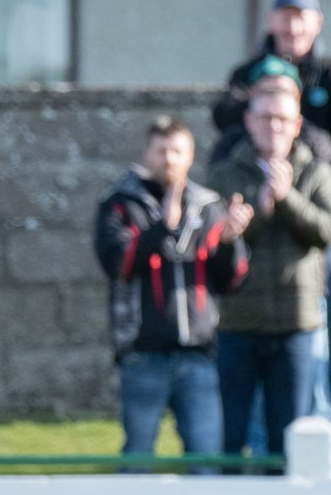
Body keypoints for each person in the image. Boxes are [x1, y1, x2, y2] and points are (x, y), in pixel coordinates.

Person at [212, 0, 331, 421]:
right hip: (260, 194)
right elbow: (222, 115)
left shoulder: (327, 70)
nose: (292, 25)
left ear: (317, 23)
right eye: (285, 16)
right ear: (271, 22)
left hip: (310, 189)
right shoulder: (246, 73)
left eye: (302, 16)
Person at [93, 117, 251, 463]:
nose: (169, 159)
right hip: (142, 353)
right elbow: (116, 263)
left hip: (198, 353)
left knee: (206, 458)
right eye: (161, 150)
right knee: (138, 456)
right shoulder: (120, 203)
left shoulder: (208, 206)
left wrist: (229, 242)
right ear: (146, 153)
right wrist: (161, 227)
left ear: (190, 156)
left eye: (176, 151)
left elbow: (231, 281)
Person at [205, 86, 331, 462]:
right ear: (249, 122)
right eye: (265, 118)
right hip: (239, 321)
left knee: (290, 438)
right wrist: (249, 220)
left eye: (282, 119)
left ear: (297, 124)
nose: (274, 126)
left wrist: (287, 199)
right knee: (231, 436)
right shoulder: (223, 175)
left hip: (296, 323)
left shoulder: (316, 172)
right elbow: (208, 244)